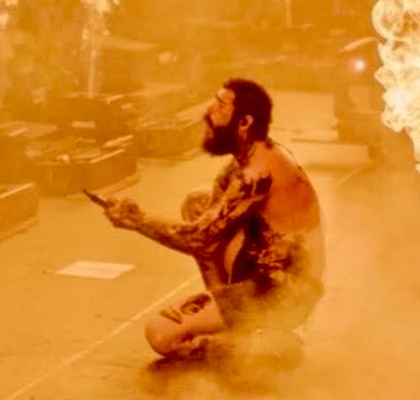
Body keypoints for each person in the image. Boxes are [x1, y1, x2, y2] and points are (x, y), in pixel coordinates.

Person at [100, 78, 325, 360]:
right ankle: (229, 316)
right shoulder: (245, 163)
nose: (208, 111)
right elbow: (206, 232)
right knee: (197, 204)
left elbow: (198, 238)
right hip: (260, 274)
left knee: (161, 334)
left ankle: (267, 344)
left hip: (285, 292)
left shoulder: (258, 173)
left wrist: (137, 221)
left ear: (244, 122)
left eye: (220, 106)